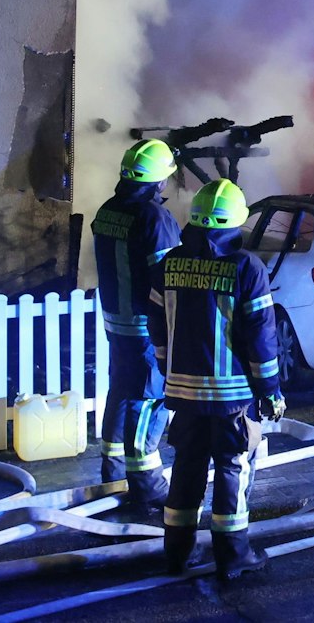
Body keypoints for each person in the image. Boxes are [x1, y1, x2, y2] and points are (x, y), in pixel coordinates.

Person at [148, 178, 286, 580]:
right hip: (232, 399)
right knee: (231, 469)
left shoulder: (169, 264)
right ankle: (233, 556)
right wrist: (270, 391)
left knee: (187, 470)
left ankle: (176, 554)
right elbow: (262, 336)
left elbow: (156, 325)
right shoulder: (246, 267)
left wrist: (165, 367)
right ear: (235, 222)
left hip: (183, 394)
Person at [90, 139, 179, 506]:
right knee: (149, 398)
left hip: (115, 322)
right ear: (158, 181)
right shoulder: (154, 218)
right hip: (146, 326)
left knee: (122, 392)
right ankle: (146, 485)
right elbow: (168, 278)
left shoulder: (108, 209)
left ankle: (112, 476)